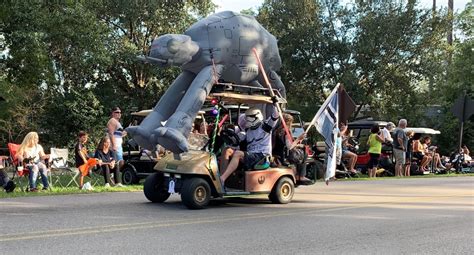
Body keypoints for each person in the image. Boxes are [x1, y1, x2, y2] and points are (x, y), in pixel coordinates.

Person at [220, 105, 279, 184]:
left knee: (238, 154)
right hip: (250, 156)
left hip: (261, 156)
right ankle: (222, 178)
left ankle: (222, 179)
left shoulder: (265, 127)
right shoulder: (247, 130)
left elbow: (275, 115)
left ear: (257, 117)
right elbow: (237, 142)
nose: (248, 120)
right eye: (247, 118)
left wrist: (274, 104)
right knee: (227, 150)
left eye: (250, 118)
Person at [272, 113, 309, 182]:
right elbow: (290, 146)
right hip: (285, 155)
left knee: (300, 150)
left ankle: (298, 175)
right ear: (289, 122)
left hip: (277, 152)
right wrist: (299, 139)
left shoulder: (276, 131)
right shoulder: (286, 132)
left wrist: (298, 143)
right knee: (304, 151)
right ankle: (301, 176)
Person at [107, 107, 127, 171]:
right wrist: (114, 145)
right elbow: (111, 134)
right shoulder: (112, 121)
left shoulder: (117, 122)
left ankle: (115, 176)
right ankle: (112, 175)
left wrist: (128, 130)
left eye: (120, 112)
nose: (119, 114)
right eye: (117, 112)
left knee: (119, 162)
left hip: (118, 146)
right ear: (113, 113)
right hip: (113, 146)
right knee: (117, 162)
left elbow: (120, 134)